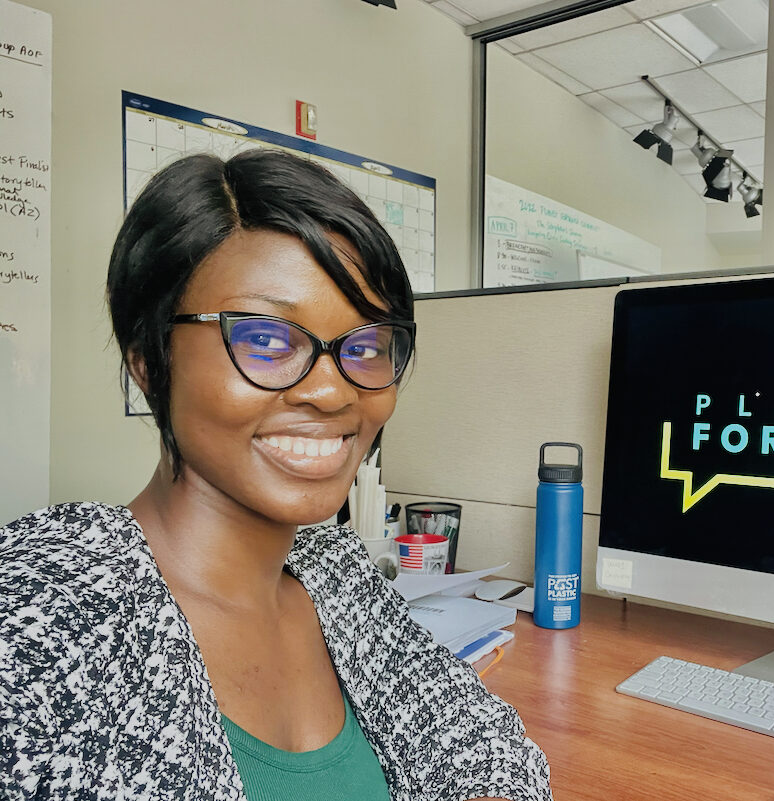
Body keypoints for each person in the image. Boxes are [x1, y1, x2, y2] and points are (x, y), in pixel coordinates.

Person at [0, 149, 552, 801]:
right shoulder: (38, 619)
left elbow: (490, 750)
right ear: (149, 358)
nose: (333, 390)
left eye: (366, 345)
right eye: (266, 339)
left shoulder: (336, 575)